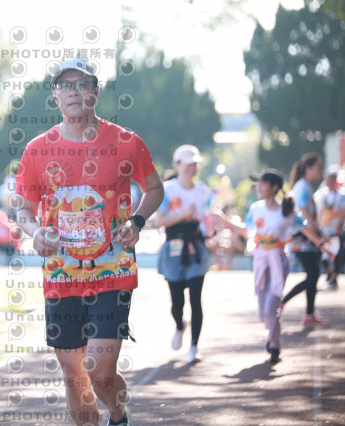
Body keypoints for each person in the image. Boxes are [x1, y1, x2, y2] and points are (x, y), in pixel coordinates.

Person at [15, 58, 164, 426]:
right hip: (62, 274)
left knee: (98, 369)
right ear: (55, 96)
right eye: (65, 86)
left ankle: (118, 413)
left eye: (82, 84)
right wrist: (36, 233)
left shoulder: (126, 142)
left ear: (95, 92)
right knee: (72, 372)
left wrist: (137, 220)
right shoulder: (36, 149)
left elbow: (154, 188)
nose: (74, 92)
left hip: (112, 270)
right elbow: (24, 210)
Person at [213, 169, 295, 363]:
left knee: (271, 306)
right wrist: (223, 219)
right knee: (262, 311)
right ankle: (274, 334)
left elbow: (302, 227)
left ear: (274, 187)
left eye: (263, 184)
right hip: (261, 261)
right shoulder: (256, 208)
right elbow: (246, 230)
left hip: (278, 260)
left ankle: (274, 344)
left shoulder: (286, 210)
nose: (259, 187)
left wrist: (321, 242)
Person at [154, 144, 212, 364]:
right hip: (174, 247)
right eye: (187, 164)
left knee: (196, 299)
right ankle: (180, 326)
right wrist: (183, 214)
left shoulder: (204, 192)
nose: (191, 168)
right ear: (177, 164)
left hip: (195, 247)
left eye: (194, 164)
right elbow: (159, 221)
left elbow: (207, 220)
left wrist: (211, 233)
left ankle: (194, 346)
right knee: (176, 302)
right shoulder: (167, 190)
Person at [281, 152, 329, 326]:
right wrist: (317, 232)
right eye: (318, 167)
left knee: (313, 274)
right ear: (308, 168)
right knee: (313, 274)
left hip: (306, 236)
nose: (320, 170)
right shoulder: (302, 186)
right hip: (302, 237)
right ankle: (282, 302)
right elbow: (303, 212)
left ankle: (309, 313)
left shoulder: (305, 186)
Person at [314, 165, 345, 287]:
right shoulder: (322, 195)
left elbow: (342, 212)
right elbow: (320, 211)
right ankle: (330, 272)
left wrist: (339, 226)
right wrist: (318, 226)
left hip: (335, 229)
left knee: (337, 253)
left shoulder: (341, 196)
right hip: (324, 229)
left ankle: (334, 275)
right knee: (323, 252)